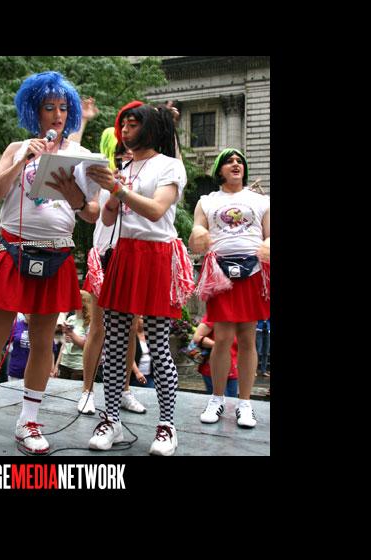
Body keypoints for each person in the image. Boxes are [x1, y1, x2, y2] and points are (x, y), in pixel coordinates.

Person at [0, 71, 102, 454]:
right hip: (12, 250)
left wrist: (76, 197)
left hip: (57, 253)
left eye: (63, 108)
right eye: (49, 107)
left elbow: (92, 213)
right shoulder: (17, 147)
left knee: (44, 340)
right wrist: (21, 160)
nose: (57, 115)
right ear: (35, 110)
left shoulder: (81, 156)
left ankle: (29, 421)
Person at [84, 102, 193, 456]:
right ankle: (111, 420)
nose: (125, 131)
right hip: (125, 254)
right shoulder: (123, 167)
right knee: (115, 345)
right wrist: (111, 196)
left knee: (159, 346)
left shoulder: (169, 165)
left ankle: (167, 427)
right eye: (124, 125)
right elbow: (107, 220)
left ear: (149, 128)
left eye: (132, 124)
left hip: (157, 256)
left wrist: (118, 190)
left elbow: (157, 210)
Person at [189, 148, 270, 429]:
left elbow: (269, 235)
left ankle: (245, 404)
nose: (236, 164)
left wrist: (268, 244)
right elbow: (196, 234)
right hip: (220, 273)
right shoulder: (207, 201)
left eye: (239, 161)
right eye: (229, 161)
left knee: (247, 338)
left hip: (253, 271)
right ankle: (217, 398)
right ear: (219, 170)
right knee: (222, 337)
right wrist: (198, 233)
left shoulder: (261, 200)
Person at [78, 121, 146, 416]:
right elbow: (91, 213)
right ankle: (87, 391)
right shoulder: (100, 176)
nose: (126, 151)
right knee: (99, 326)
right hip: (105, 254)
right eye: (121, 147)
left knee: (130, 327)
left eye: (130, 146)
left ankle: (125, 391)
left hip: (132, 255)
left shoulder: (142, 175)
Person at [191, 316, 239, 398]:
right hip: (213, 369)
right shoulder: (214, 315)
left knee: (232, 402)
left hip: (233, 370)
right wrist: (218, 345)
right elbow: (197, 337)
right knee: (220, 401)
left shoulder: (240, 319)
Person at [54, 290, 91, 380]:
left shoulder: (89, 322)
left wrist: (71, 334)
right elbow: (63, 344)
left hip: (79, 367)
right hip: (64, 363)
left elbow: (88, 346)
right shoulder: (70, 319)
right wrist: (57, 365)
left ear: (83, 302)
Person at [128, 316, 155, 388]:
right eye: (142, 318)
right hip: (134, 376)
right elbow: (129, 356)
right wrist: (137, 372)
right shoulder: (132, 335)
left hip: (149, 376)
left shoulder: (150, 335)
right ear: (136, 319)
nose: (144, 320)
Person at [6, 313, 31, 381]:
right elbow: (5, 343)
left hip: (35, 372)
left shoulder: (41, 328)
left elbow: (50, 350)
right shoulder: (15, 326)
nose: (30, 313)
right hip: (16, 372)